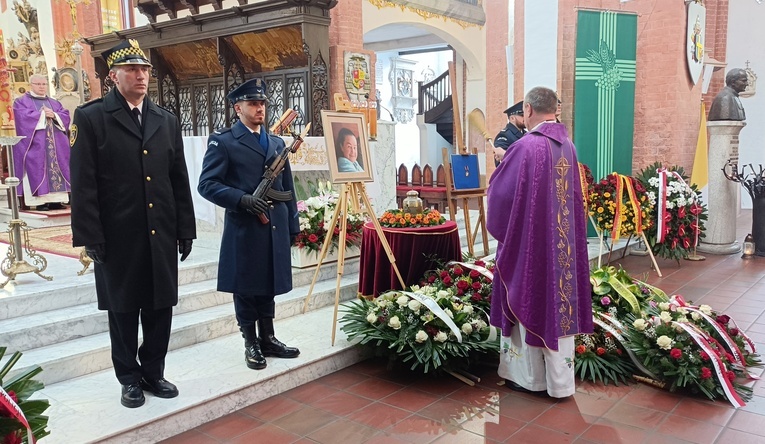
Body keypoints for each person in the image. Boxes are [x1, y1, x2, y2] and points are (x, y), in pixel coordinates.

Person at [69, 39, 197, 409]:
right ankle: (128, 378)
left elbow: (178, 179)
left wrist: (184, 228)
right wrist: (90, 235)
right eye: (132, 70)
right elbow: (84, 183)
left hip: (159, 232)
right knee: (123, 310)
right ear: (114, 76)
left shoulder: (165, 120)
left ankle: (154, 371)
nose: (141, 76)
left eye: (145, 70)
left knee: (160, 307)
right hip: (118, 236)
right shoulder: (91, 117)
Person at [487, 86, 592, 398]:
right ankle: (560, 383)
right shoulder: (568, 146)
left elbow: (502, 197)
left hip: (530, 248)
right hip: (562, 251)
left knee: (528, 296)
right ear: (555, 110)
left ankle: (530, 380)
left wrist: (500, 168)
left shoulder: (525, 147)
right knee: (558, 303)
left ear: (529, 110)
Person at [198, 77, 301, 371]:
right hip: (245, 226)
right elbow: (207, 184)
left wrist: (293, 225)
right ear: (237, 107)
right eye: (253, 103)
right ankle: (250, 342)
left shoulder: (277, 142)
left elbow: (287, 187)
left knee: (268, 282)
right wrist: (242, 199)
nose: (259, 109)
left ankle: (268, 338)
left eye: (262, 104)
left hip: (274, 224)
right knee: (246, 286)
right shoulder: (224, 141)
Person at [12, 73, 71, 210]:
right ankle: (39, 202)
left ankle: (56, 200)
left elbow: (65, 115)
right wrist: (42, 114)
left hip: (56, 145)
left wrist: (55, 115)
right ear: (30, 85)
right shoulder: (21, 102)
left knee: (58, 167)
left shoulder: (54, 102)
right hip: (35, 145)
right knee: (37, 168)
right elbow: (22, 118)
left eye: (44, 84)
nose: (42, 87)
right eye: (38, 84)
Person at [492, 100, 525, 166]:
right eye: (522, 115)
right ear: (512, 118)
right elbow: (501, 164)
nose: (525, 118)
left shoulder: (526, 134)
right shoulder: (504, 136)